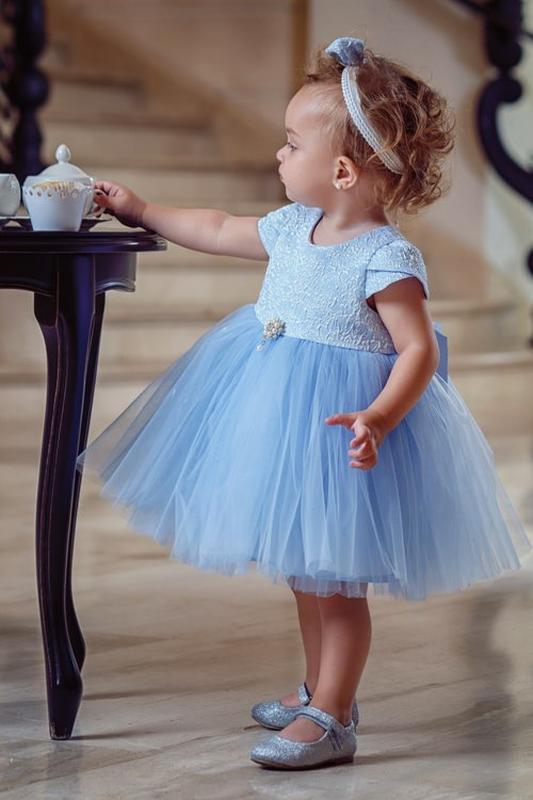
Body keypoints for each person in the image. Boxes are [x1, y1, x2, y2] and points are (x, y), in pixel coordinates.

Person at [76, 35, 531, 770]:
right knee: (304, 569)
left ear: (343, 171)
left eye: (292, 144)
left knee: (337, 586)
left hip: (340, 430)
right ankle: (318, 690)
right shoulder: (293, 227)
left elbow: (417, 351)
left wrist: (379, 416)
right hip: (283, 418)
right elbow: (217, 228)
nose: (279, 155)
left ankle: (334, 717)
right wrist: (142, 208)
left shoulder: (384, 257)